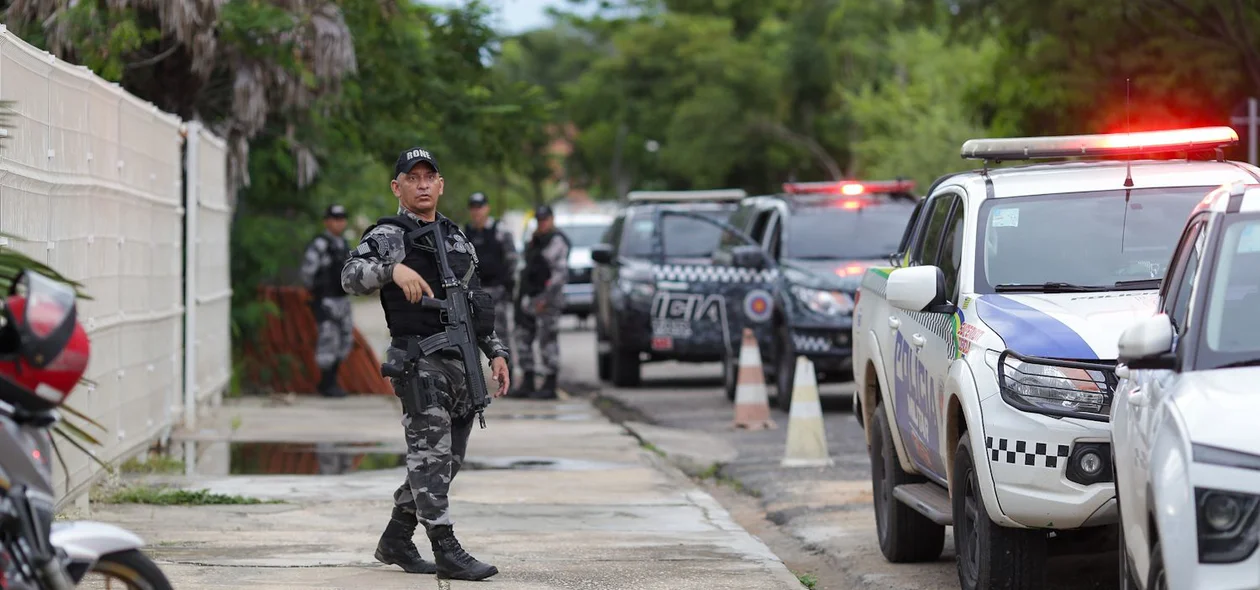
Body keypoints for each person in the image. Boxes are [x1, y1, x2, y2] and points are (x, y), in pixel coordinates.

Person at [341, 147, 510, 581]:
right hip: (419, 362)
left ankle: (396, 538)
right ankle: (446, 545)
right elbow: (350, 275)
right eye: (411, 178)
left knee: (446, 461)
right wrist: (391, 271)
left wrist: (496, 352)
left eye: (428, 178)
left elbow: (471, 305)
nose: (421, 185)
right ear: (397, 187)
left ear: (440, 185)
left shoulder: (457, 237)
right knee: (430, 458)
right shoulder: (388, 234)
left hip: (461, 365)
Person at [513, 205, 570, 399]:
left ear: (552, 219)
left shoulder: (557, 242)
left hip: (548, 301)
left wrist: (545, 298)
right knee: (523, 337)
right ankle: (528, 380)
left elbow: (559, 275)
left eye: (545, 219)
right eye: (539, 219)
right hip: (531, 298)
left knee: (547, 342)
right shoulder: (535, 241)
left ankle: (550, 383)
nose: (542, 223)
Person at [300, 204, 352, 398]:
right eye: (335, 218)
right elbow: (308, 272)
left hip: (342, 300)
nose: (339, 222)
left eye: (342, 218)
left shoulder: (344, 244)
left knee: (345, 340)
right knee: (328, 340)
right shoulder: (320, 244)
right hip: (326, 299)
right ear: (327, 221)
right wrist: (315, 293)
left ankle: (332, 381)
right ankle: (327, 383)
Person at [463, 192, 518, 372]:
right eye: (474, 208)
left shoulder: (500, 231)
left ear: (487, 208)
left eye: (480, 207)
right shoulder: (465, 233)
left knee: (501, 335)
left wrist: (505, 285)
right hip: (473, 292)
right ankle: (474, 379)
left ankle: (507, 375)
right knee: (470, 336)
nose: (477, 212)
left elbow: (512, 260)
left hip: (496, 291)